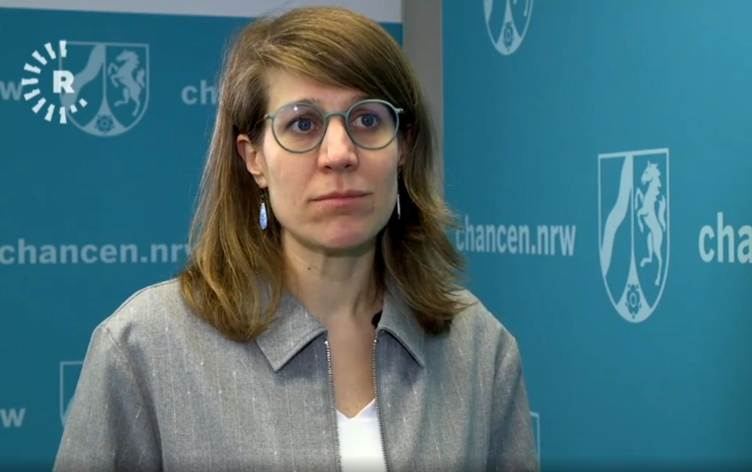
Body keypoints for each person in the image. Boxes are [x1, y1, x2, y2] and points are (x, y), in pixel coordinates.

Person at [54, 6, 537, 471]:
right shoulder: (145, 347)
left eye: (368, 120)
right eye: (302, 124)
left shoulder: (479, 347)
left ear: (403, 147)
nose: (339, 153)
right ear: (254, 159)